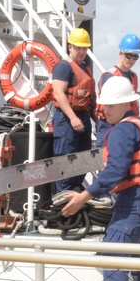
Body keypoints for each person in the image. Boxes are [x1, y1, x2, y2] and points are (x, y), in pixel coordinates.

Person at [61, 76, 140, 281]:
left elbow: (116, 170)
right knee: (139, 263)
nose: (105, 111)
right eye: (103, 105)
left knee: (112, 259)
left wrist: (83, 197)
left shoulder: (122, 130)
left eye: (110, 105)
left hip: (133, 206)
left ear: (127, 104)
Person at [51, 27, 96, 192]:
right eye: (78, 47)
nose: (81, 51)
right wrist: (72, 117)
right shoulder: (64, 67)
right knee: (66, 157)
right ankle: (63, 194)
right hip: (66, 118)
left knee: (83, 157)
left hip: (83, 116)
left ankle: (76, 190)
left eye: (84, 48)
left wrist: (96, 119)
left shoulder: (86, 68)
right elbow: (58, 92)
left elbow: (90, 97)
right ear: (70, 47)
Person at [95, 33, 140, 148]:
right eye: (128, 55)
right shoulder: (110, 75)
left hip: (126, 127)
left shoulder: (133, 76)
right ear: (120, 53)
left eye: (135, 56)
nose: (131, 59)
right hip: (110, 126)